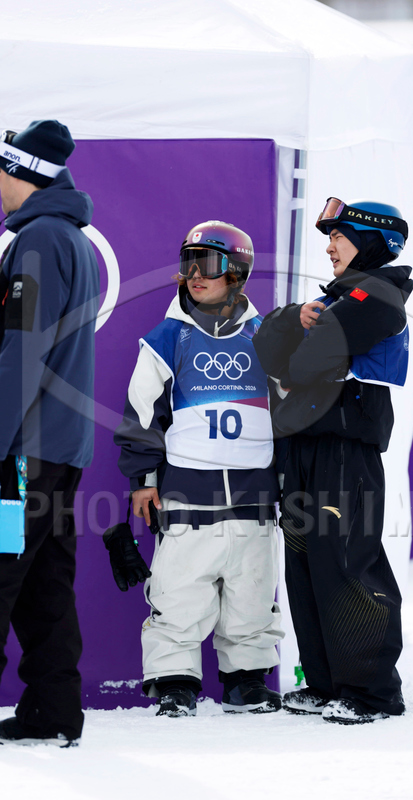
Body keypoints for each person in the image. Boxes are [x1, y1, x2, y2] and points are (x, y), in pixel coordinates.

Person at [112, 220, 283, 717]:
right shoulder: (168, 337)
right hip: (187, 492)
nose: (195, 275)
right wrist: (143, 481)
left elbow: (289, 413)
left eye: (207, 264)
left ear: (237, 272)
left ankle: (246, 682)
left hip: (254, 491)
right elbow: (142, 413)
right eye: (188, 264)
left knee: (252, 591)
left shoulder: (265, 335)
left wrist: (291, 482)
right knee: (178, 590)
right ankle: (174, 683)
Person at [253, 198, 413, 725]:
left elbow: (304, 364)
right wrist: (292, 319)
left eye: (339, 236)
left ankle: (372, 692)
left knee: (346, 562)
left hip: (346, 450)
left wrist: (298, 353)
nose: (329, 247)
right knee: (305, 567)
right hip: (305, 445)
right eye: (328, 237)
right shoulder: (335, 299)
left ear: (371, 241)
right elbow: (266, 349)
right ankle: (325, 683)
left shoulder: (377, 294)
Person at [0, 121, 100, 746]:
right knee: (44, 584)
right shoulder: (69, 238)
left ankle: (52, 712)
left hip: (22, 454)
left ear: (19, 172)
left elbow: (20, 353)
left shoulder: (38, 240)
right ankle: (53, 713)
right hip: (58, 451)